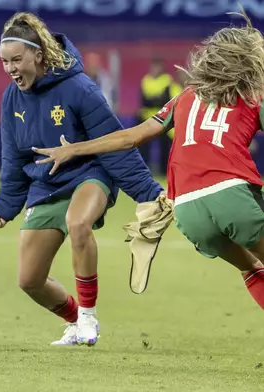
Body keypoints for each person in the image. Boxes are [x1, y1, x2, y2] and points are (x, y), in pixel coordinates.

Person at [32, 13, 264, 311]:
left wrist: (75, 148)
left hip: (187, 210)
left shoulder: (185, 97)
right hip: (232, 196)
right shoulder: (253, 96)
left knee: (252, 269)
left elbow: (131, 137)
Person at [0, 12, 163, 346]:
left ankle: (89, 319)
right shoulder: (12, 98)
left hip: (90, 172)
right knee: (30, 280)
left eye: (17, 60)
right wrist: (4, 207)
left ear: (38, 55)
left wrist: (148, 193)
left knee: (78, 223)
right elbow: (15, 157)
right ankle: (76, 320)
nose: (10, 69)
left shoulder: (78, 87)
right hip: (46, 183)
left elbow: (115, 142)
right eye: (4, 61)